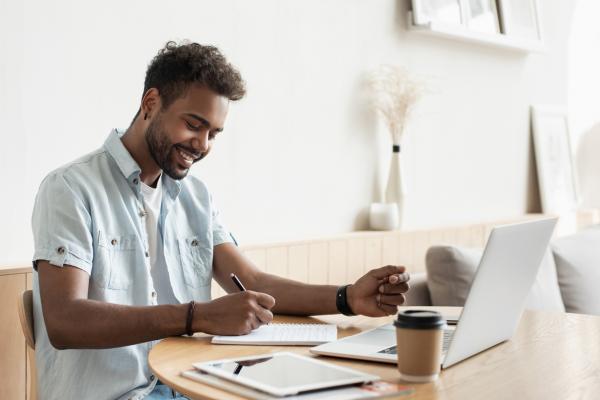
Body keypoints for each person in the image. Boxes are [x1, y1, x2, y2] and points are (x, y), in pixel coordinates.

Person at [31, 41, 410, 400]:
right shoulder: (70, 189)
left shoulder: (196, 197)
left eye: (214, 133)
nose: (203, 145)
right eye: (194, 125)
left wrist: (347, 297)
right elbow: (65, 321)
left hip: (191, 385)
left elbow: (253, 281)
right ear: (151, 103)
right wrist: (196, 316)